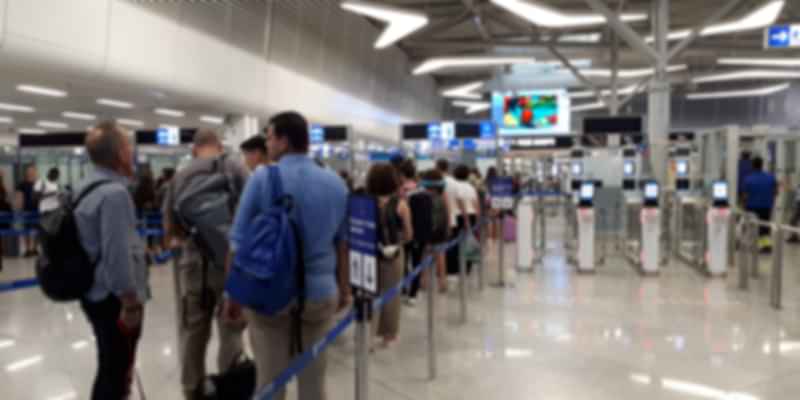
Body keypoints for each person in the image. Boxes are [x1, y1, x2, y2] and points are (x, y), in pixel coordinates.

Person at [224, 111, 350, 400]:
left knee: (270, 381)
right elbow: (342, 244)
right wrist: (343, 288)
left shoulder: (263, 179)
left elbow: (238, 241)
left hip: (269, 291)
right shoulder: (336, 184)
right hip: (320, 293)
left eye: (269, 137)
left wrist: (232, 296)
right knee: (314, 381)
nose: (267, 144)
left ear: (283, 141)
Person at [162, 129, 249, 400]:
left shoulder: (180, 176)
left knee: (194, 332)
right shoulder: (235, 168)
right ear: (219, 146)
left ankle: (192, 391)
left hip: (193, 266)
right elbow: (253, 217)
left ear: (194, 149)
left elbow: (170, 230)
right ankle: (231, 389)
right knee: (231, 328)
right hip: (231, 265)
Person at [75, 121, 148, 399]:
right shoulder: (114, 194)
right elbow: (116, 255)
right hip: (112, 298)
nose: (132, 152)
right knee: (117, 373)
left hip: (92, 291)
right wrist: (129, 302)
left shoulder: (84, 186)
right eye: (129, 146)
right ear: (120, 153)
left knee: (109, 365)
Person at [366, 163, 413, 344]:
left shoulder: (364, 203)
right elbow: (409, 234)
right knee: (392, 294)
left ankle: (369, 333)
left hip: (369, 253)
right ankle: (388, 334)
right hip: (393, 254)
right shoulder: (401, 205)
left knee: (370, 293)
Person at [418, 169, 450, 292]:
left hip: (425, 230)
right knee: (440, 256)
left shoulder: (421, 197)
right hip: (440, 231)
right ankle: (442, 283)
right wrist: (447, 229)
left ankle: (423, 281)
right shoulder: (442, 197)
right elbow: (447, 213)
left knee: (424, 254)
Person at [742, 156, 778, 253]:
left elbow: (745, 196)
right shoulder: (771, 177)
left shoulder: (748, 179)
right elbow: (775, 192)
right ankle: (766, 246)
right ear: (762, 165)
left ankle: (752, 245)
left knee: (752, 226)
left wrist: (744, 206)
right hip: (766, 207)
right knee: (765, 227)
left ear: (753, 166)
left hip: (751, 207)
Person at [453, 164, 482, 272]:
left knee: (459, 241)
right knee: (469, 240)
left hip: (461, 215)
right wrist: (478, 219)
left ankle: (459, 266)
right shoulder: (471, 187)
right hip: (472, 215)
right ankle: (468, 265)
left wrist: (465, 220)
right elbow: (476, 204)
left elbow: (460, 203)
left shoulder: (456, 187)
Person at [15, 164, 38, 256]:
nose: (31, 173)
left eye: (32, 171)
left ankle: (35, 248)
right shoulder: (22, 184)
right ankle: (28, 249)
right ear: (26, 172)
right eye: (29, 171)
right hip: (26, 210)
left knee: (38, 230)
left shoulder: (39, 183)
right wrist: (19, 209)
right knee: (26, 230)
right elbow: (19, 197)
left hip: (37, 210)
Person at [134, 168, 158, 253]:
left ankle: (147, 248)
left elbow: (136, 200)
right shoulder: (151, 188)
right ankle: (151, 247)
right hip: (150, 215)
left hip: (140, 214)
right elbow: (154, 202)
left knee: (144, 230)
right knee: (151, 229)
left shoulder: (139, 187)